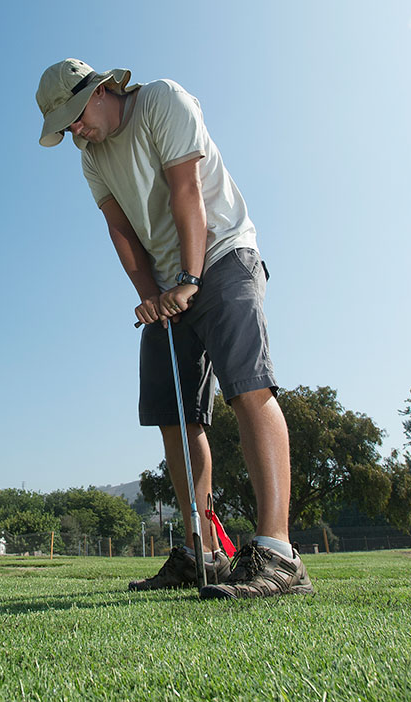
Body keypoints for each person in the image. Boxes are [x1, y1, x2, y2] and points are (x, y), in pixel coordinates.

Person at [36, 59, 313, 599]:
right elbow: (121, 230)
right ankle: (201, 552)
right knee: (174, 416)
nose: (76, 132)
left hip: (224, 254)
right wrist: (151, 296)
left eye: (75, 118)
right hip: (168, 284)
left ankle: (278, 552)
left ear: (99, 91)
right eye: (65, 128)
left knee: (248, 388)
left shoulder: (164, 99)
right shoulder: (91, 158)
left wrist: (189, 277)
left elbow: (186, 190)